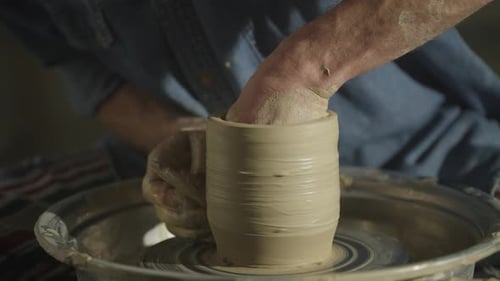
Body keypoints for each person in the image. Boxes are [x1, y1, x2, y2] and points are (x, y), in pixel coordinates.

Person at [1, 0, 499, 239]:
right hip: (202, 169)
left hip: (423, 144)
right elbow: (87, 71)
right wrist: (188, 139)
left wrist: (306, 69)